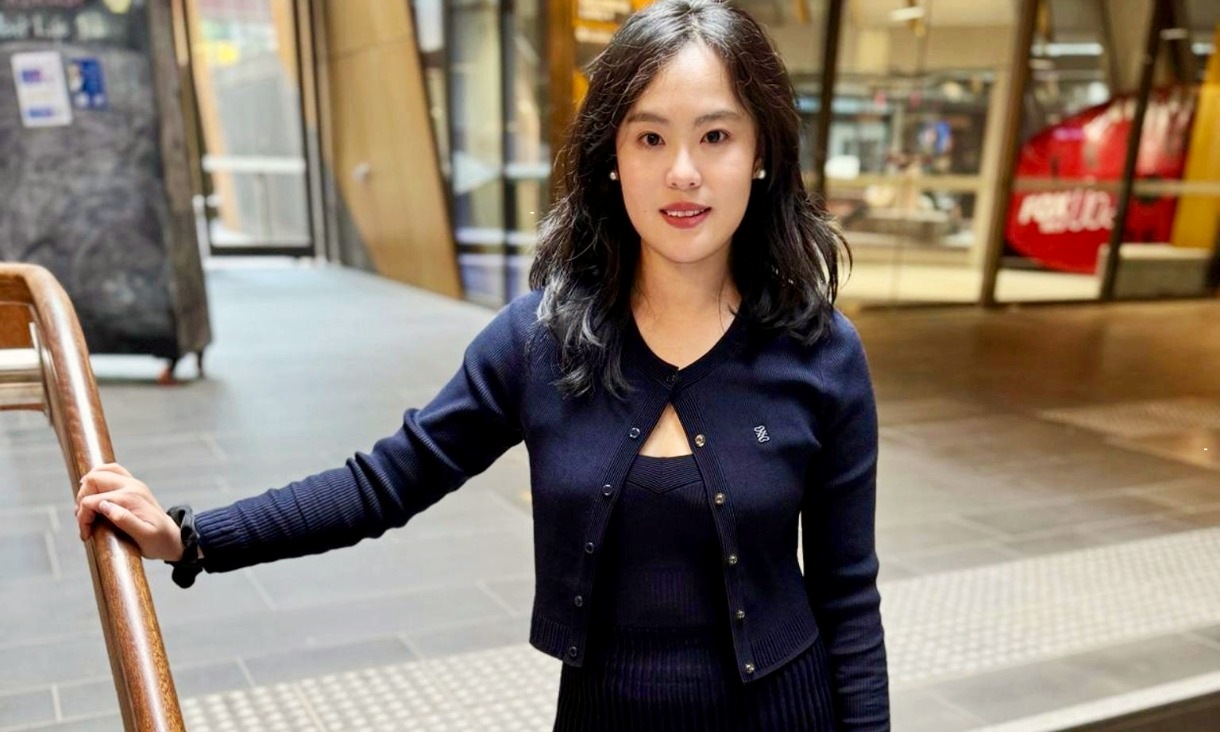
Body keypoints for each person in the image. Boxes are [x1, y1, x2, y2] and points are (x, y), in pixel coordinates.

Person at [75, 1, 889, 729]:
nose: (682, 171)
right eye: (650, 136)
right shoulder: (539, 341)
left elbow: (848, 600)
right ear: (612, 156)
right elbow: (382, 483)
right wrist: (192, 538)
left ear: (760, 154)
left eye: (715, 135)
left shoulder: (821, 355)